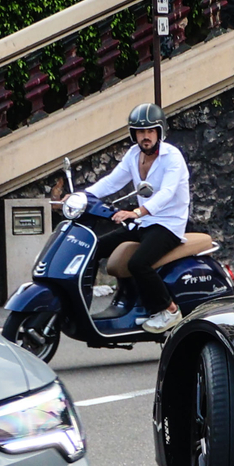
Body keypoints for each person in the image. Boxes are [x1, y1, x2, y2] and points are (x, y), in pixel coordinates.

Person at [82, 103, 192, 335]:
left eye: (150, 131)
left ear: (159, 132)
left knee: (138, 263)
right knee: (95, 246)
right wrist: (82, 196)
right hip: (144, 222)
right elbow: (112, 182)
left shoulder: (172, 158)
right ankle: (83, 303)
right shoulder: (133, 155)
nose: (145, 137)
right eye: (140, 132)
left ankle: (170, 310)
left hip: (167, 224)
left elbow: (167, 194)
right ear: (134, 134)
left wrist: (137, 212)